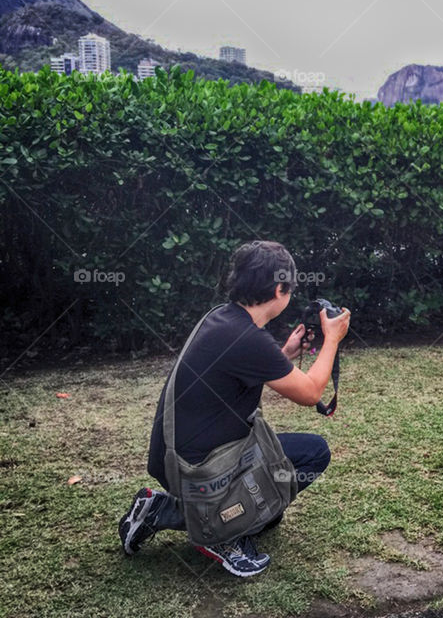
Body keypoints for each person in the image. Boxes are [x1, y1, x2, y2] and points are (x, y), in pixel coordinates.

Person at [117, 240, 350, 577]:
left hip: (175, 456)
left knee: (290, 480)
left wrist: (284, 352)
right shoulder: (247, 339)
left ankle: (197, 511)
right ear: (281, 290)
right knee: (314, 456)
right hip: (196, 470)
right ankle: (212, 528)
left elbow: (242, 373)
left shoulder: (222, 320)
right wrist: (332, 339)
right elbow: (311, 392)